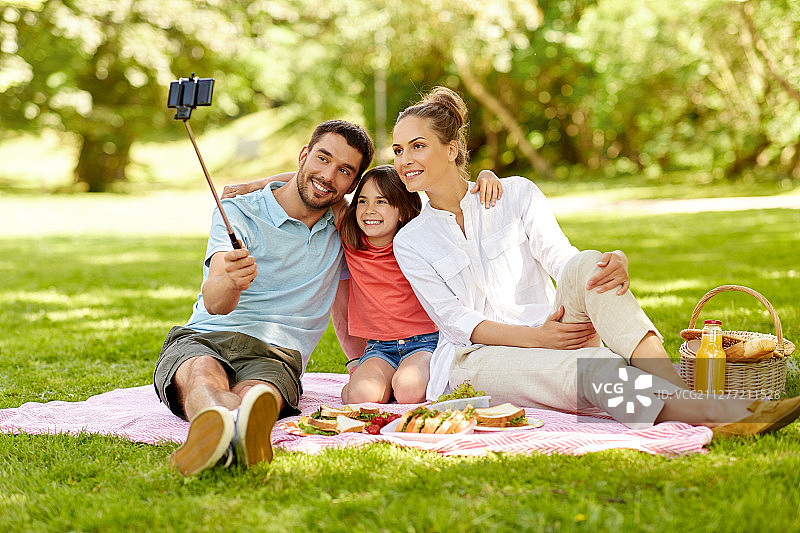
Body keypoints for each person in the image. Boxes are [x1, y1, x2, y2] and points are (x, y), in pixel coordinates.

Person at [391, 87, 800, 436]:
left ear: (452, 149)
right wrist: (537, 340)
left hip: (555, 328)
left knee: (589, 263)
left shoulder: (514, 193)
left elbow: (562, 259)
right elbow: (455, 320)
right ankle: (719, 416)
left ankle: (685, 394)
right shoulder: (411, 240)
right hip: (474, 361)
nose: (404, 159)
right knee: (595, 365)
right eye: (398, 150)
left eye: (418, 146)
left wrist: (611, 261)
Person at [153, 120, 374, 476]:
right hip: (205, 337)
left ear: (352, 185)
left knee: (259, 394)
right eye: (322, 158)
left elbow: (393, 194)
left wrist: (357, 362)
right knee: (202, 374)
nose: (329, 175)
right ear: (303, 155)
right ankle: (217, 423)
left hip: (278, 353)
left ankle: (229, 431)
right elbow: (215, 303)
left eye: (344, 171)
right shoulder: (238, 212)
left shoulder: (346, 226)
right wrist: (233, 282)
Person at [223, 165, 503, 405]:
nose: (370, 211)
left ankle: (405, 380)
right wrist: (257, 184)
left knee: (408, 390)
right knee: (359, 396)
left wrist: (487, 175)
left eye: (382, 202)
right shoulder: (350, 233)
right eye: (363, 201)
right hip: (380, 347)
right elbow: (315, 180)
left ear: (403, 210)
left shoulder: (419, 239)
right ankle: (383, 380)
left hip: (426, 342)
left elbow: (453, 200)